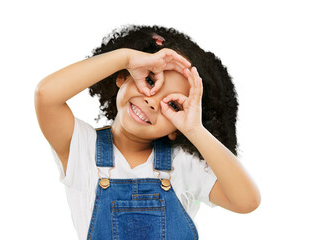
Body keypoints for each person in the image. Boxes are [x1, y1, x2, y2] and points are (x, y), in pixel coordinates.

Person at [35, 24, 260, 239]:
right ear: (123, 76)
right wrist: (127, 57)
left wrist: (194, 129)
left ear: (176, 131)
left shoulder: (183, 164)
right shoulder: (82, 150)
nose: (152, 103)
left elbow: (247, 201)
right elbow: (46, 96)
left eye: (173, 105)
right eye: (150, 80)